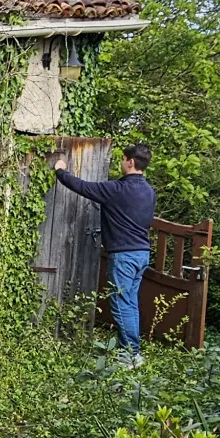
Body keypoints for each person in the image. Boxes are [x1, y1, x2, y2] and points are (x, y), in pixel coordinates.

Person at [53, 141, 156, 362]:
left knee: (121, 304)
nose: (120, 162)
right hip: (142, 253)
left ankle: (130, 356)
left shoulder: (117, 190)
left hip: (124, 256)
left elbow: (82, 187)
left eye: (122, 159)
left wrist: (60, 170)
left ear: (130, 162)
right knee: (130, 303)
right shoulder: (149, 192)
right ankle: (132, 353)